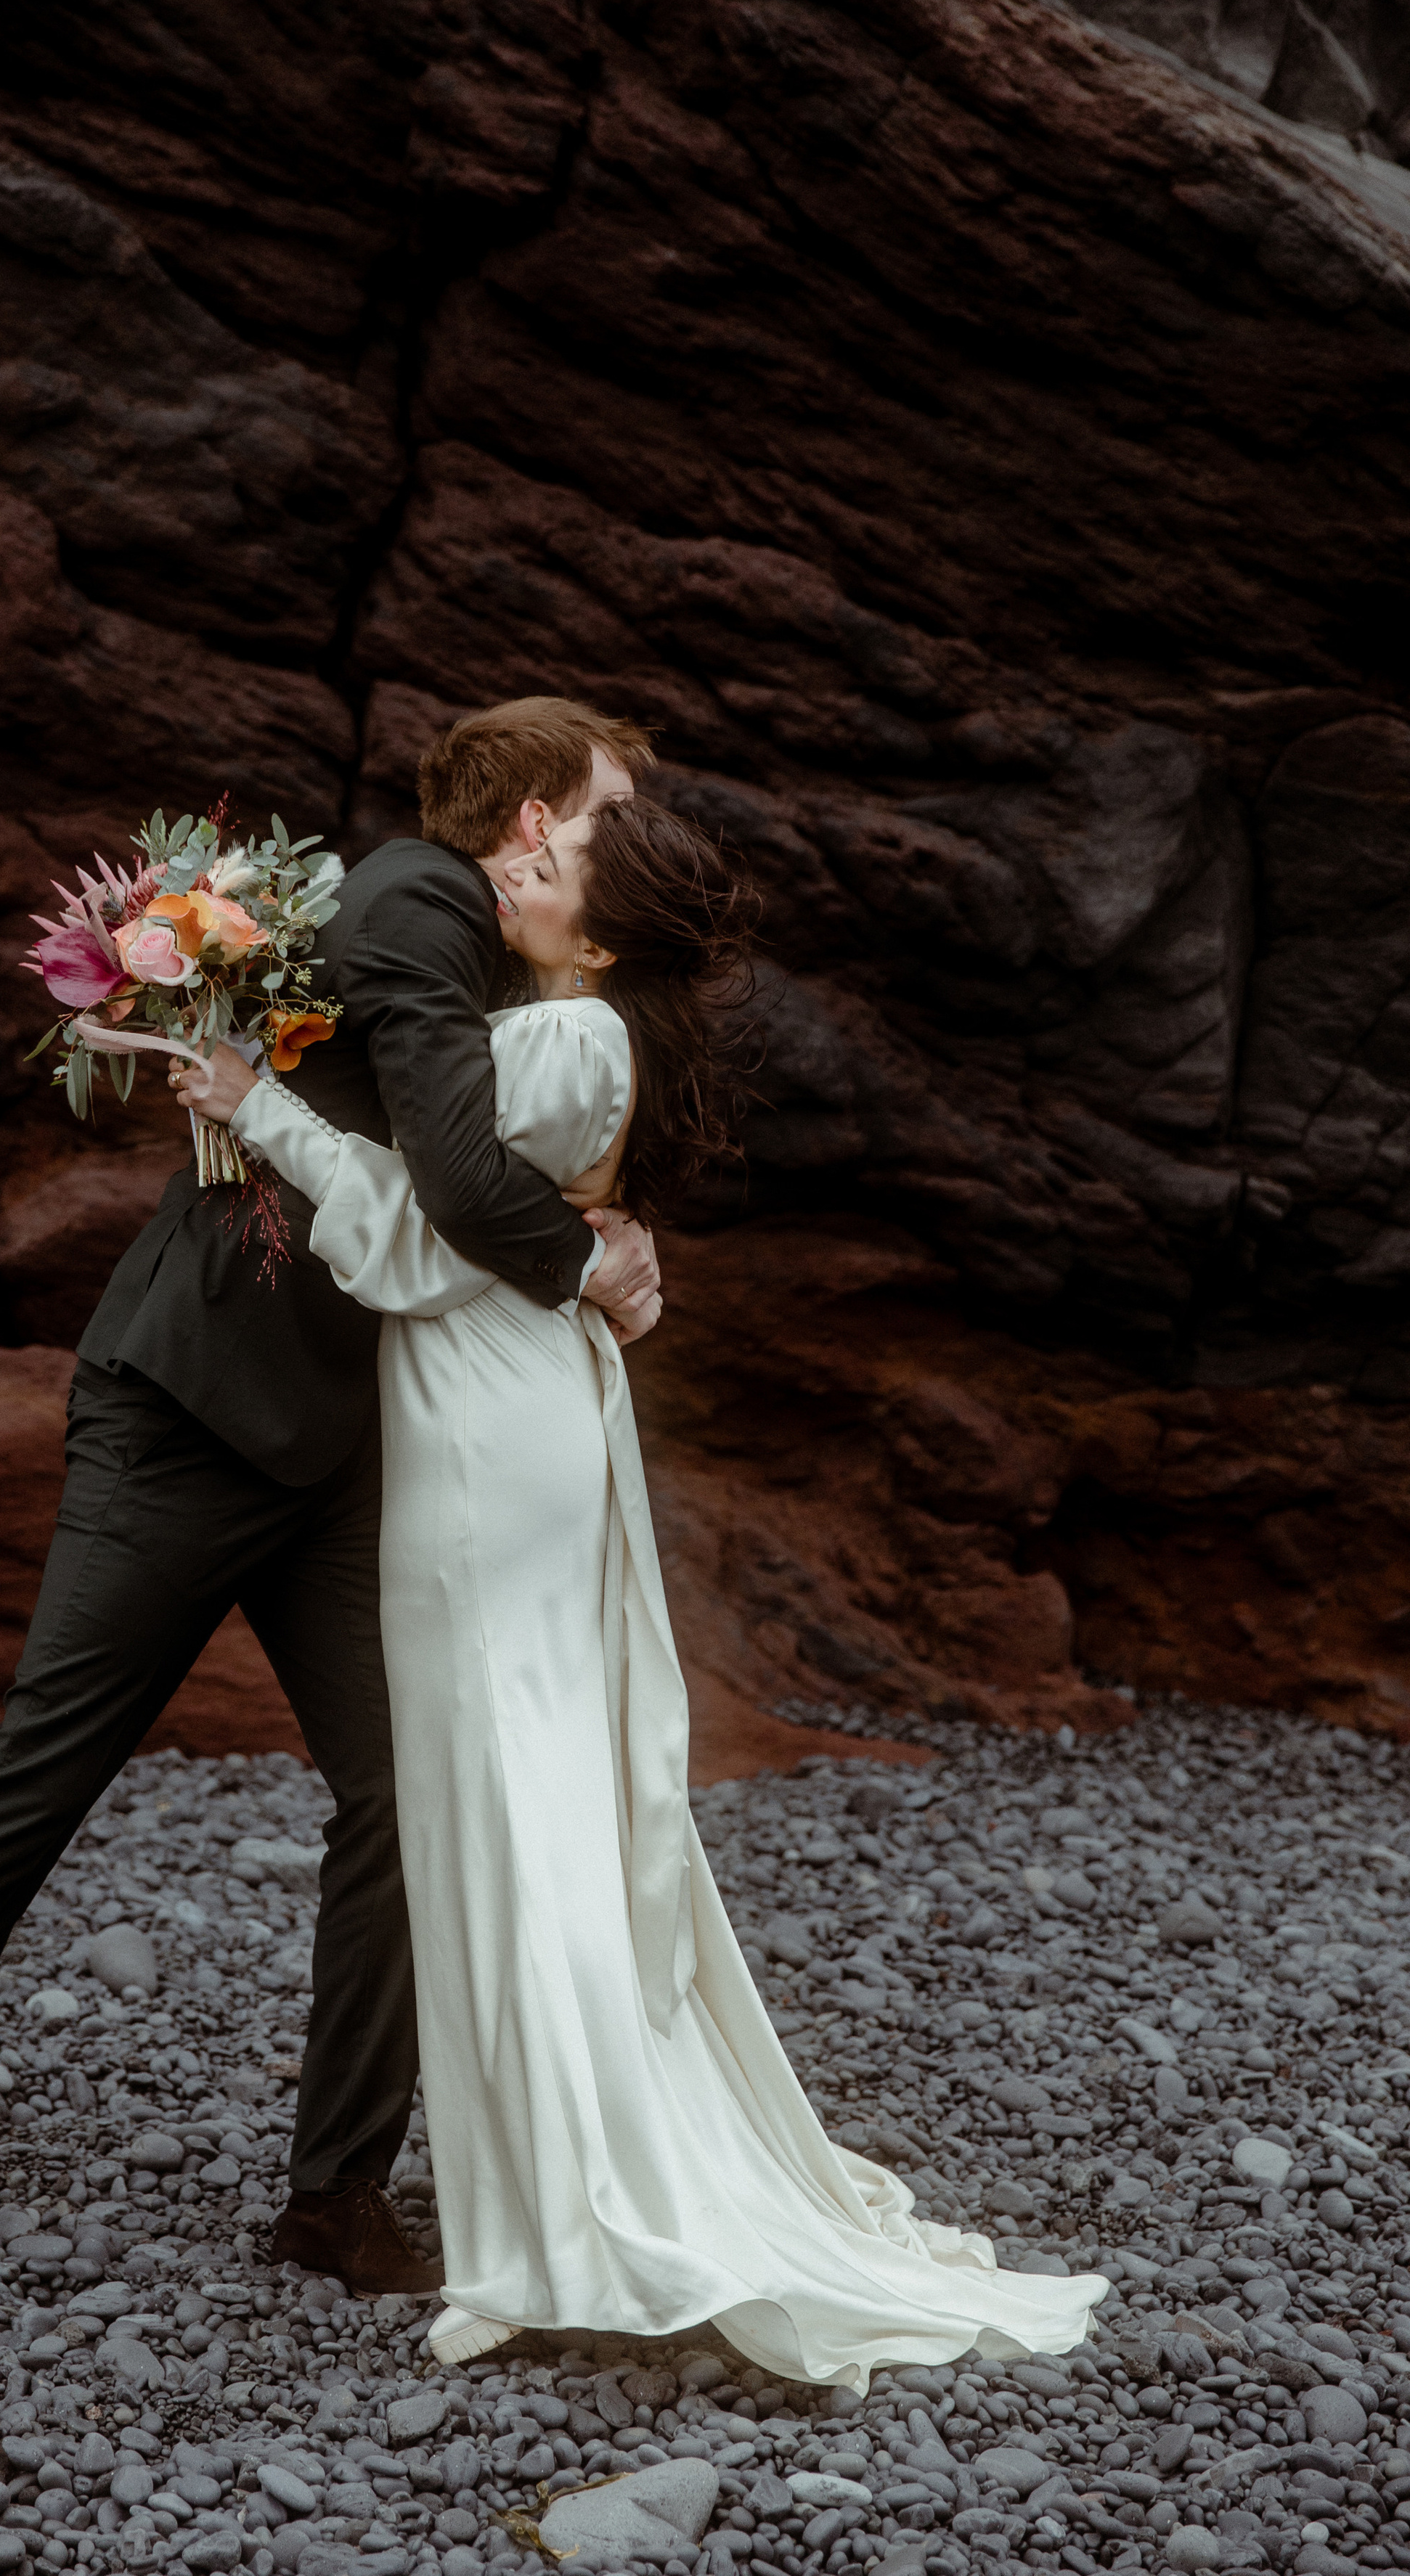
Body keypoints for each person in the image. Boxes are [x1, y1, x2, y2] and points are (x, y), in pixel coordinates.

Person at [177, 793, 1109, 2384]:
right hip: (513, 1402)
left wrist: (255, 1102)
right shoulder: (584, 1032)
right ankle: (547, 2176)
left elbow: (417, 1240)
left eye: (555, 864)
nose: (520, 864)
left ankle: (575, 2206)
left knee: (509, 1798)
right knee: (516, 1789)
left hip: (486, 1423)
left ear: (598, 940)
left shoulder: (561, 1038)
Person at [0, 698, 664, 2313]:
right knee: (42, 1774)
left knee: (406, 1796)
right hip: (190, 1408)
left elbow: (506, 1145)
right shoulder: (415, 895)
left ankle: (335, 2195)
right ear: (531, 817)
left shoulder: (521, 960)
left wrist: (614, 1220)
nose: (620, 840)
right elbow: (460, 1177)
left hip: (345, 1446)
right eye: (605, 808)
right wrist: (583, 1267)